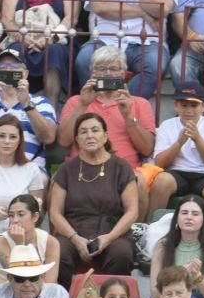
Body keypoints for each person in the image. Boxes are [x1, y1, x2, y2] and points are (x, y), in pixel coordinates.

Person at [48, 112, 140, 278]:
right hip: (73, 233)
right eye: (83, 132)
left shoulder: (121, 167)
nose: (89, 135)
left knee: (121, 253)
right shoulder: (67, 169)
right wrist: (76, 240)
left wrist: (109, 238)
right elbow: (55, 213)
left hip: (112, 233)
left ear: (105, 136)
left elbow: (132, 211)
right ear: (77, 140)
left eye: (95, 130)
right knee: (59, 252)